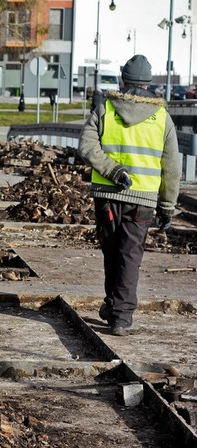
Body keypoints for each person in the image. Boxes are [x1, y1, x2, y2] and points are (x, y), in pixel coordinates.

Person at [78, 54, 180, 336]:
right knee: (130, 255)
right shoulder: (162, 118)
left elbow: (86, 147)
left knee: (111, 252)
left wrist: (112, 170)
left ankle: (114, 307)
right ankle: (120, 316)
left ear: (124, 80)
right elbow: (171, 167)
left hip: (107, 196)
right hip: (143, 200)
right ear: (148, 84)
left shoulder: (105, 109)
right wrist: (167, 206)